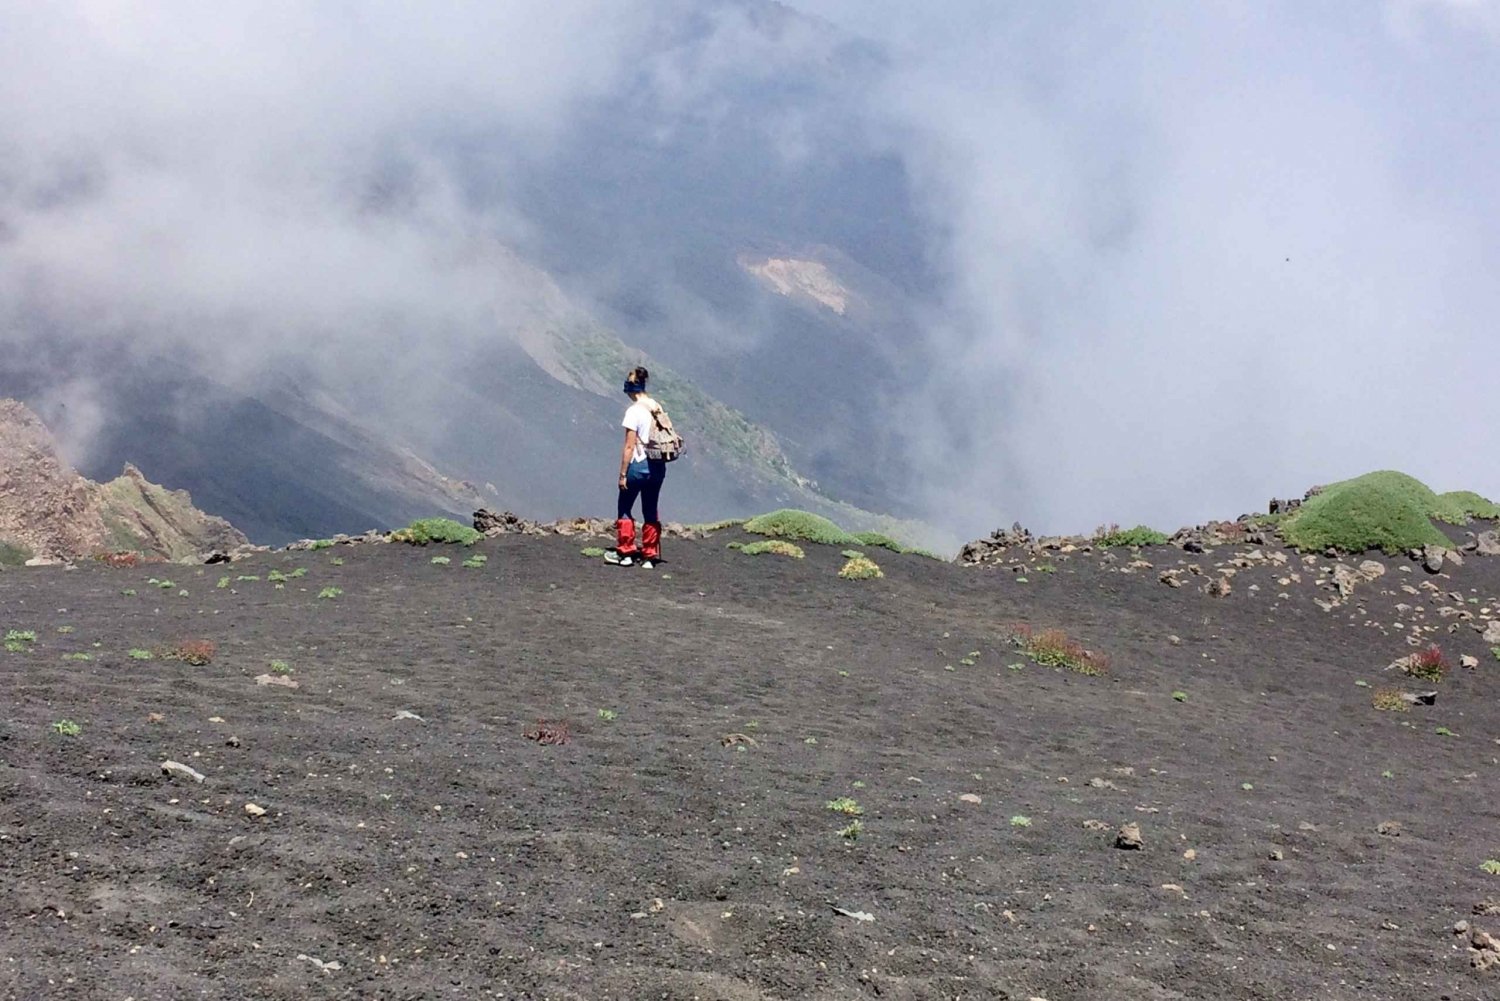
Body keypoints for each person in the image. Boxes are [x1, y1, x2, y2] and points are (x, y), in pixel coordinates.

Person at [606, 366, 666, 568]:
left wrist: (623, 474)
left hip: (638, 466)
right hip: (657, 467)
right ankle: (649, 555)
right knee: (650, 509)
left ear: (631, 388)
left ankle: (626, 553)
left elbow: (629, 446)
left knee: (625, 508)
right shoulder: (656, 406)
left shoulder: (633, 411)